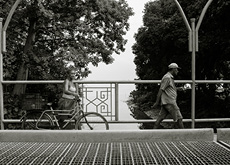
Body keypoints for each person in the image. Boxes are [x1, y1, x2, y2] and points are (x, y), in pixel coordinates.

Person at [152, 63, 185, 129]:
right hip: (170, 102)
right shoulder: (167, 78)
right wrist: (156, 102)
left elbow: (170, 88)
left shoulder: (169, 77)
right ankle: (185, 137)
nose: (177, 71)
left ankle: (152, 135)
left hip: (167, 102)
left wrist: (179, 89)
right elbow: (161, 90)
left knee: (159, 119)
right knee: (179, 119)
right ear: (173, 69)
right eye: (177, 69)